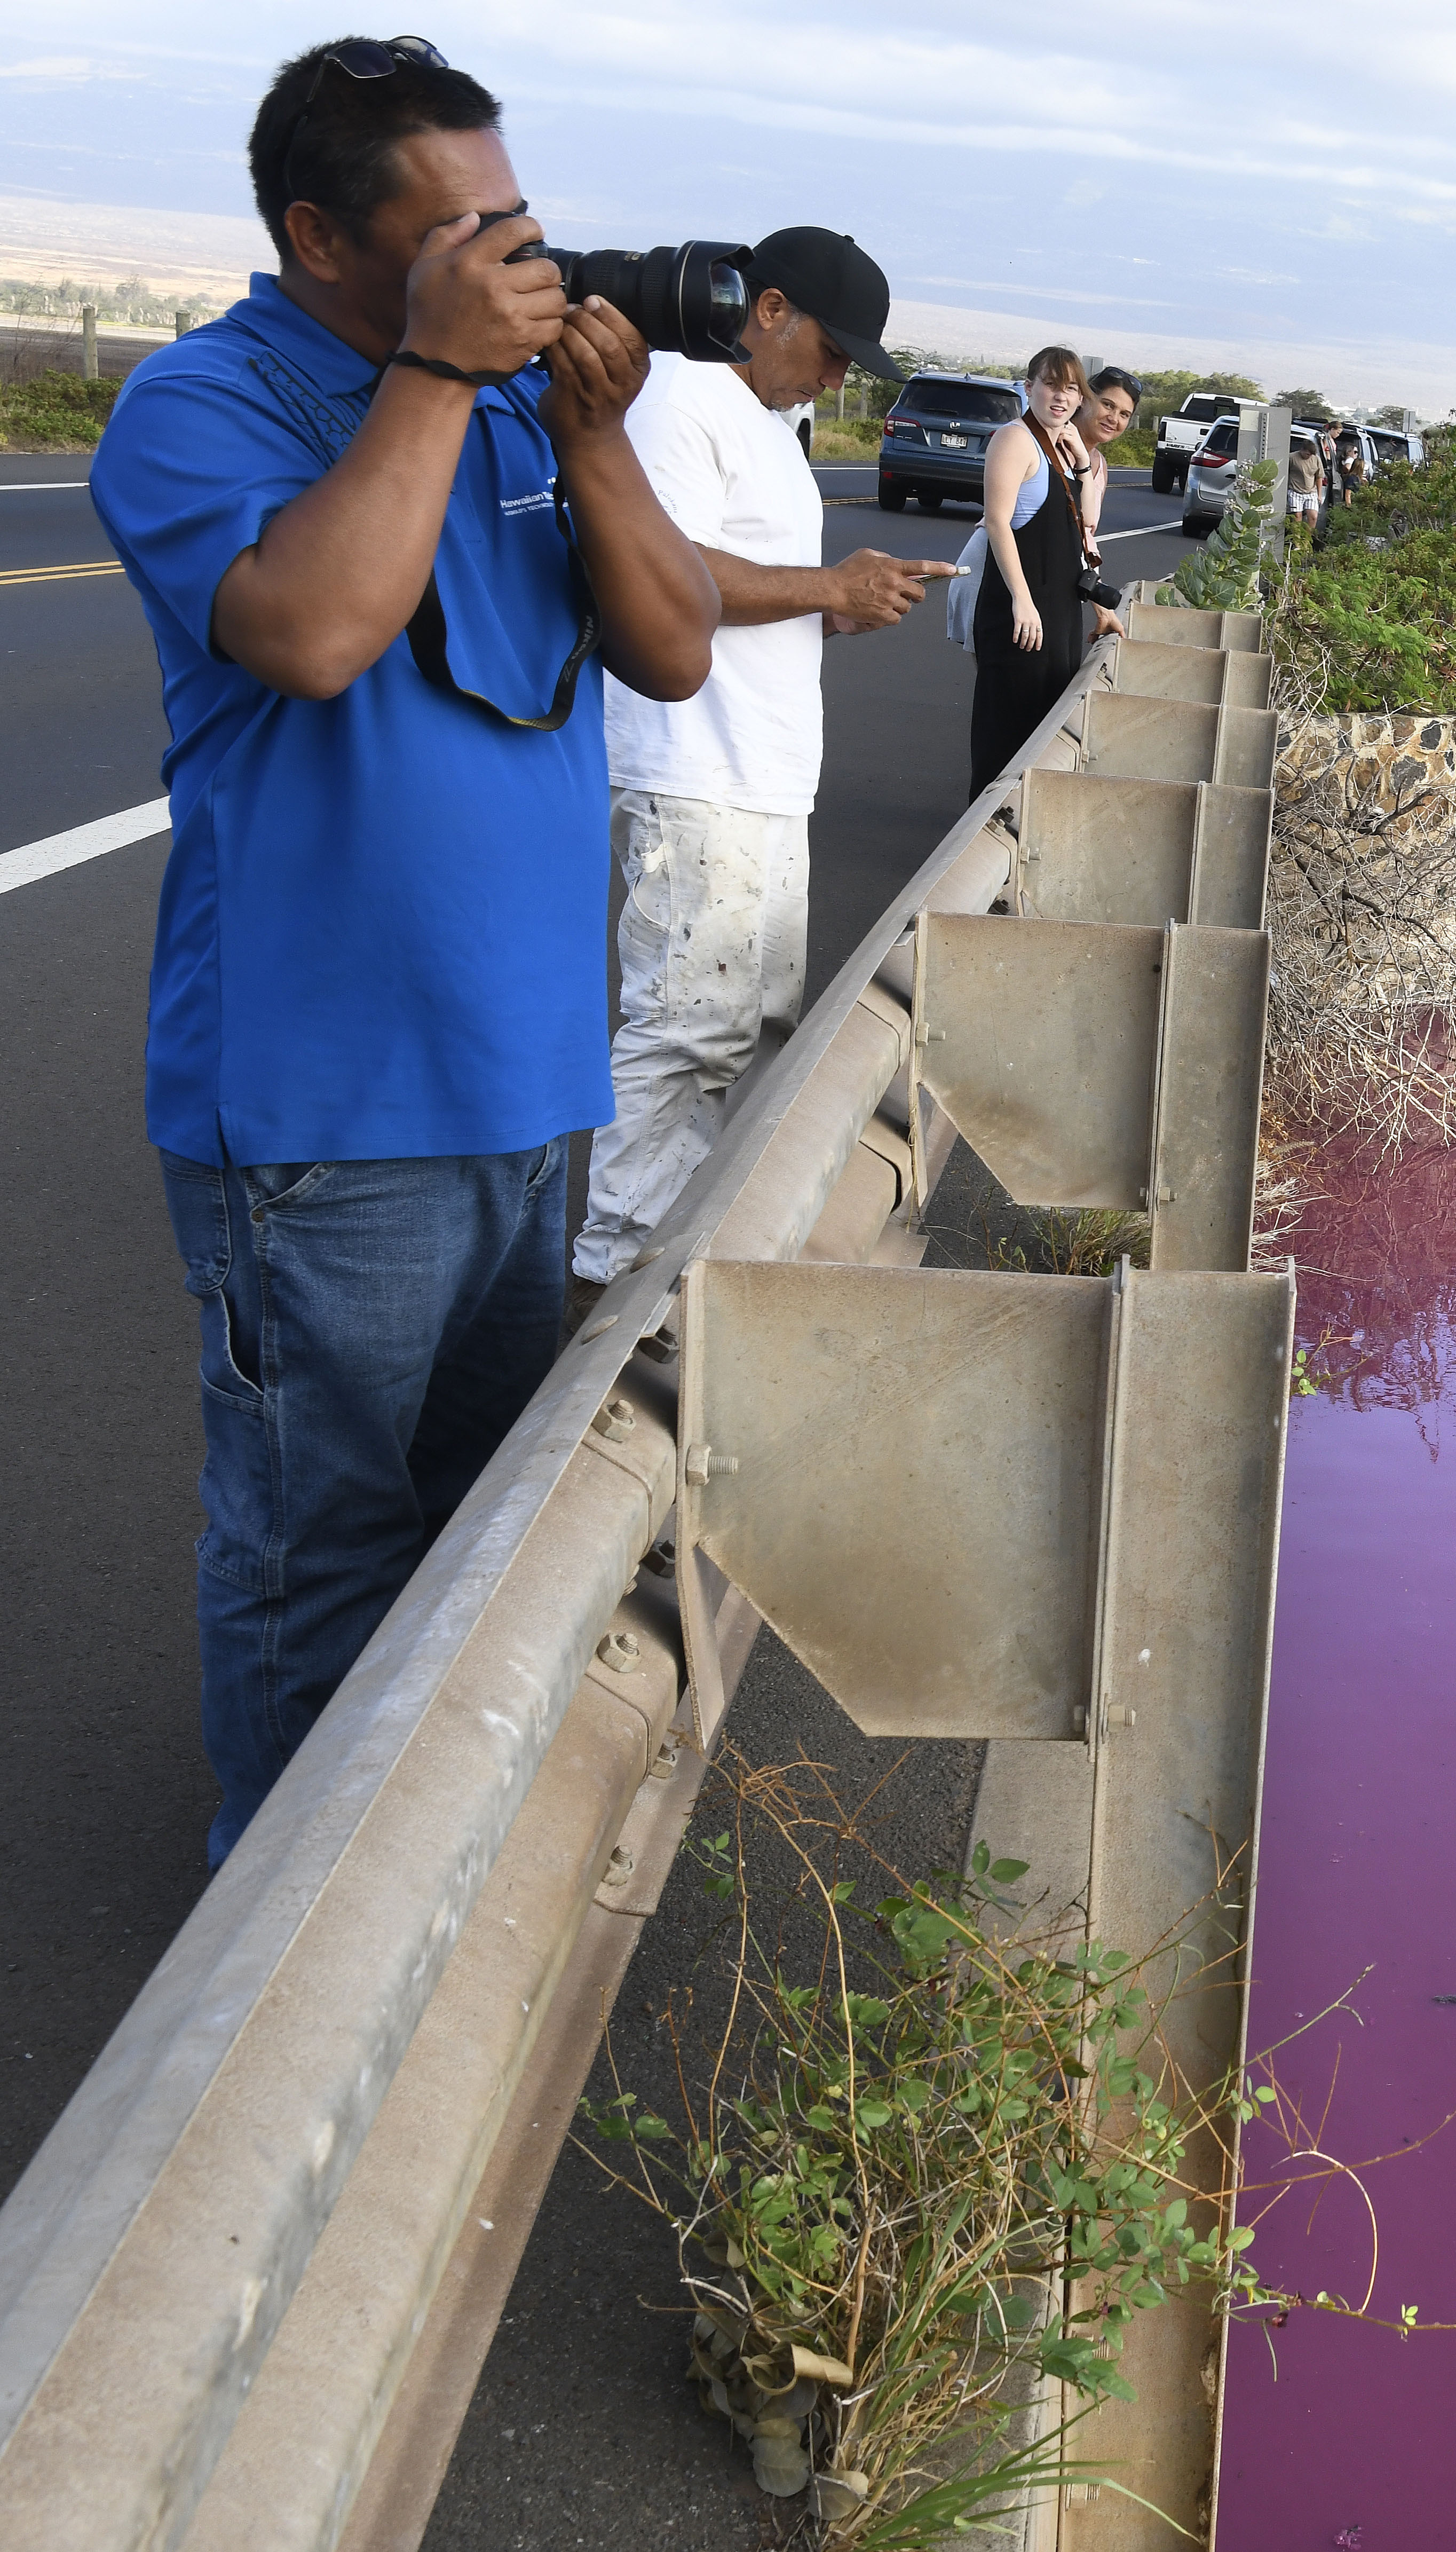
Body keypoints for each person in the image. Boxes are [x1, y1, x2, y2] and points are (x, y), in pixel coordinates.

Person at [92, 35, 719, 1865]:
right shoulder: (204, 405)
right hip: (320, 1115)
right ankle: (265, 1957)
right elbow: (310, 632)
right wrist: (443, 373)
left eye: (519, 219)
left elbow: (674, 651)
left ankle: (409, 1873)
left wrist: (589, 433)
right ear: (317, 231)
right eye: (463, 232)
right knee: (314, 1547)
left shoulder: (530, 409)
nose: (514, 260)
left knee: (470, 1531)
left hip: (531, 1086)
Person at [576, 228, 952, 1302]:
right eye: (834, 351)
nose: (839, 378)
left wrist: (839, 602)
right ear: (770, 308)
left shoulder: (770, 425)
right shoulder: (683, 399)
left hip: (759, 778)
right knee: (690, 1029)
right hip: (698, 769)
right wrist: (830, 590)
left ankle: (687, 1265)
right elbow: (660, 574)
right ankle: (616, 1280)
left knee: (746, 1027)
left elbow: (756, 588)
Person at [964, 344, 1114, 798]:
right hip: (1023, 615)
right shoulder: (1015, 440)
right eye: (1051, 384)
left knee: (1042, 730)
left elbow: (1086, 524)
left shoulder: (1063, 446)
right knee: (1006, 732)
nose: (1061, 397)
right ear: (1029, 387)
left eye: (1072, 389)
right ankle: (983, 835)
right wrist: (1022, 600)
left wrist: (1084, 465)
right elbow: (997, 522)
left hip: (1059, 614)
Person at [1077, 365, 1137, 584]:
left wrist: (1098, 597)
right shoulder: (1051, 449)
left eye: (1124, 414)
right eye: (1107, 405)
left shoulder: (1100, 466)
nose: (1113, 418)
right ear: (1084, 398)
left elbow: (1085, 539)